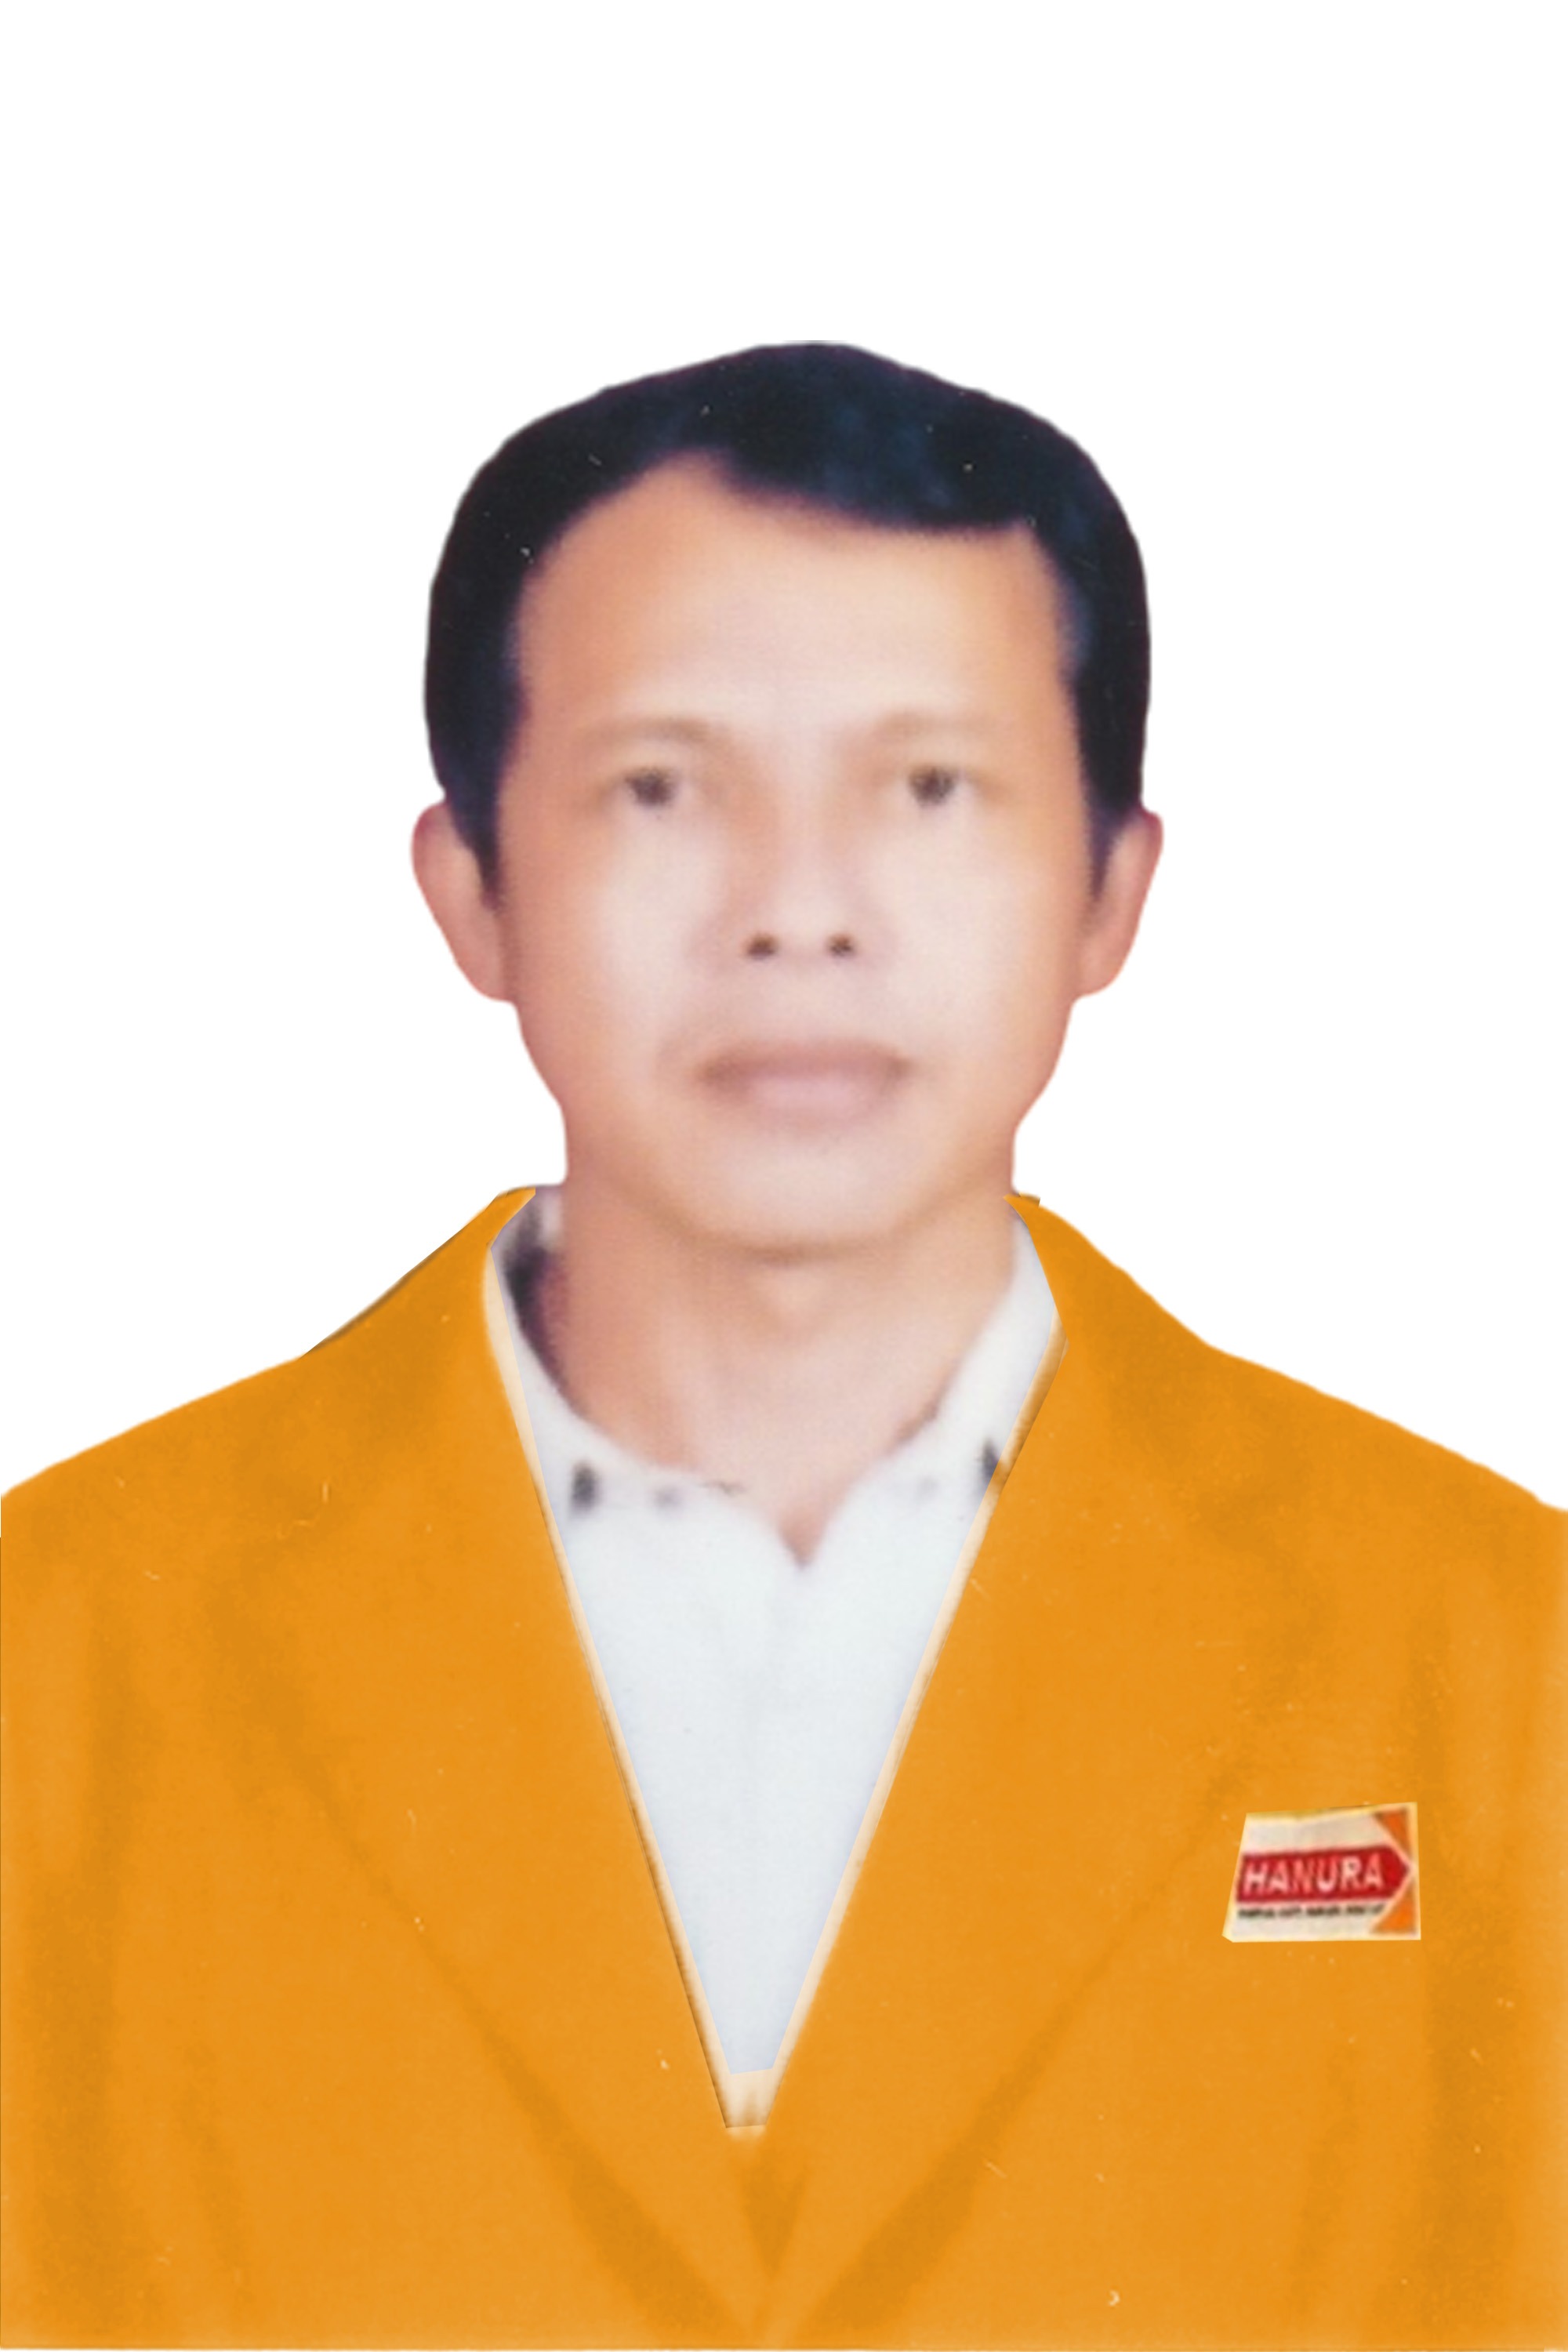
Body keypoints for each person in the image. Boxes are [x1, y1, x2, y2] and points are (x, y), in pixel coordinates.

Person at [2, 346, 1561, 2350]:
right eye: (662, 789)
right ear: (471, 890)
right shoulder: (61, 1663)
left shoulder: (1492, 1664)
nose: (800, 913)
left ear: (1111, 891)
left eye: (929, 790)